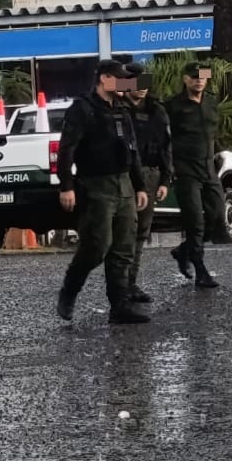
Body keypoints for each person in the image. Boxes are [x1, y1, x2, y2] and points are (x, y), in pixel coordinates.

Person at [56, 61, 150, 325]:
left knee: (123, 249)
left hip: (124, 186)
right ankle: (70, 290)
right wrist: (66, 186)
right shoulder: (82, 109)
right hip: (95, 186)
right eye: (120, 79)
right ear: (104, 78)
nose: (126, 85)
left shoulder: (122, 110)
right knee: (97, 246)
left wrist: (139, 185)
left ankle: (120, 306)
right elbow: (66, 150)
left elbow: (132, 151)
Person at [164, 62, 226, 288]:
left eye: (203, 76)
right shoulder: (173, 105)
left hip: (209, 169)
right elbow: (161, 135)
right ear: (185, 79)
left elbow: (212, 133)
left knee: (218, 217)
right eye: (194, 76)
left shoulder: (211, 102)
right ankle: (200, 270)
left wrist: (221, 153)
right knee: (195, 222)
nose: (199, 80)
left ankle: (183, 250)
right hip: (186, 171)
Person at [125, 66, 173, 303]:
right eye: (137, 82)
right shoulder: (117, 109)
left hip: (150, 175)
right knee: (124, 230)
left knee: (141, 232)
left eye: (145, 82)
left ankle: (130, 283)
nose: (142, 87)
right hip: (123, 177)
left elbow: (165, 147)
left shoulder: (157, 110)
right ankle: (119, 284)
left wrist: (165, 179)